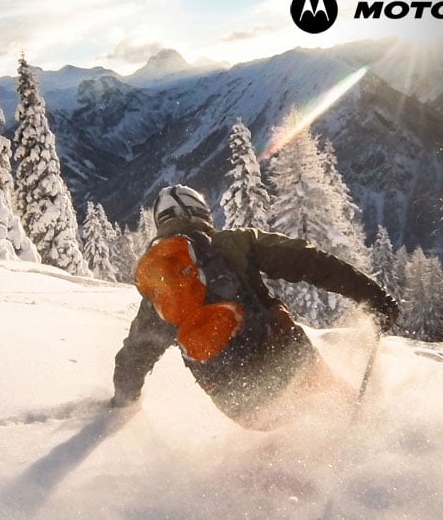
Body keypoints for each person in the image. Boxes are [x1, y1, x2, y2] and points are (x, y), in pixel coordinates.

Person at [110, 184, 399, 430]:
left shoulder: (161, 293)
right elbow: (308, 262)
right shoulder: (235, 243)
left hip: (238, 405)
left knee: (286, 429)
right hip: (289, 367)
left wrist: (122, 403)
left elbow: (134, 356)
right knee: (349, 418)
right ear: (201, 213)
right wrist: (371, 296)